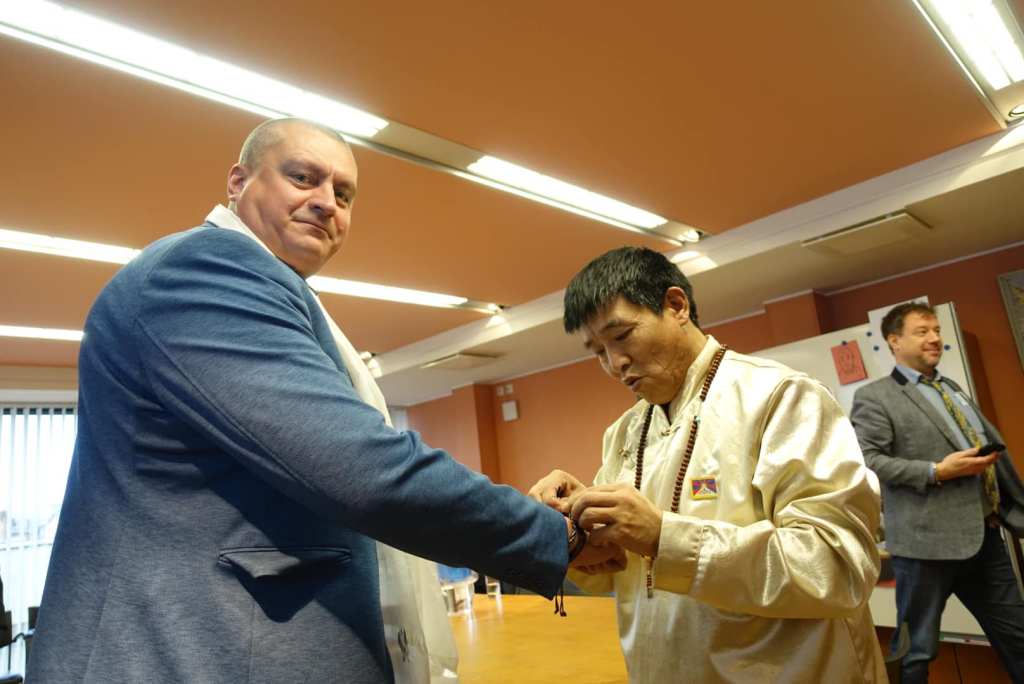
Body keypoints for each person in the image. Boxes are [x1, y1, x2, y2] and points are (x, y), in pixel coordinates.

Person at [28, 118, 618, 683]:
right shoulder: (206, 268)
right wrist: (554, 535)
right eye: (303, 177)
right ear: (238, 182)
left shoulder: (273, 289)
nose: (326, 202)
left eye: (344, 193)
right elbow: (361, 468)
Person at [529, 246, 886, 683]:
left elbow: (838, 568)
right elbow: (618, 576)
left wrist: (664, 537)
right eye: (598, 351)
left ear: (676, 305)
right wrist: (574, 532)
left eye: (621, 335)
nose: (615, 363)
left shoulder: (781, 397)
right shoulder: (624, 433)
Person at [851, 301, 1024, 683]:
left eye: (937, 331)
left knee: (1018, 636)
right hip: (924, 548)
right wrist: (936, 472)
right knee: (916, 652)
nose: (934, 339)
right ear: (894, 341)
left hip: (983, 536)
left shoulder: (951, 388)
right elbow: (869, 461)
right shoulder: (875, 396)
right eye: (922, 332)